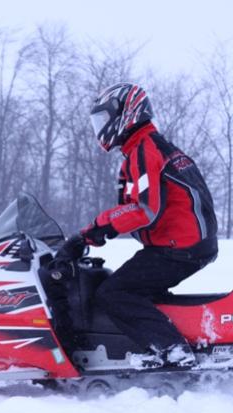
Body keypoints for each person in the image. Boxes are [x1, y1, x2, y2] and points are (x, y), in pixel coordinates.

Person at [78, 82, 218, 368]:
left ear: (127, 113)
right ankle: (158, 339)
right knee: (137, 287)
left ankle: (172, 350)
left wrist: (97, 228)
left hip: (178, 248)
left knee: (113, 292)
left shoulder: (144, 150)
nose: (101, 128)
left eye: (104, 120)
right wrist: (98, 232)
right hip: (184, 244)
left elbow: (144, 209)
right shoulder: (154, 146)